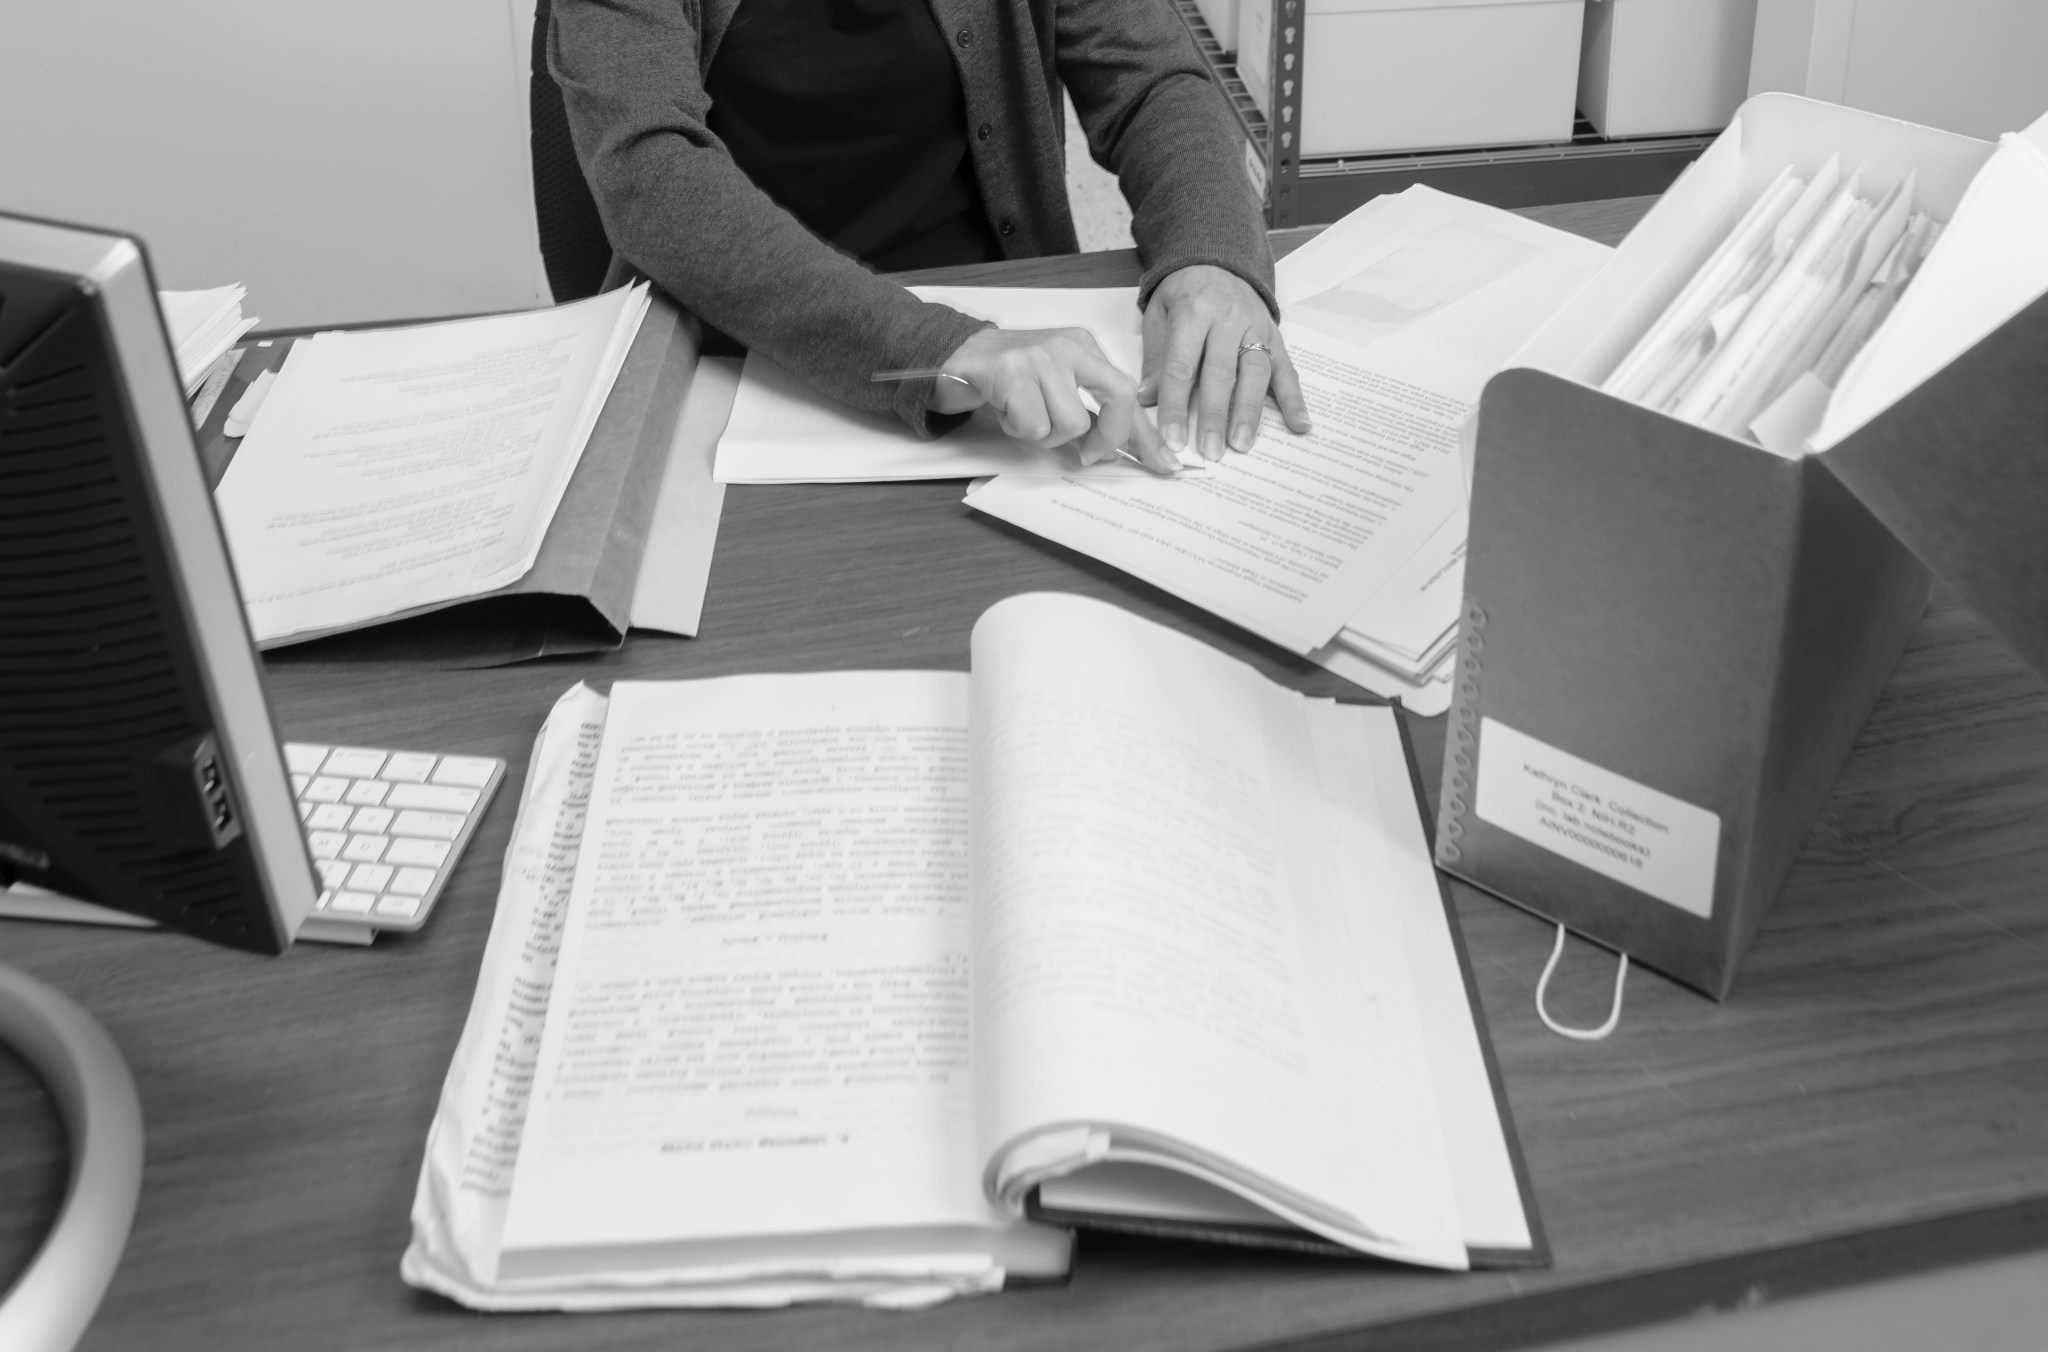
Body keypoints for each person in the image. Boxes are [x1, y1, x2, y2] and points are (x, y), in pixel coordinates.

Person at [548, 0, 1312, 472]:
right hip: (735, 359)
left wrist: (1212, 257)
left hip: (1007, 346)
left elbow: (1151, 79)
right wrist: (937, 348)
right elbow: (650, 174)